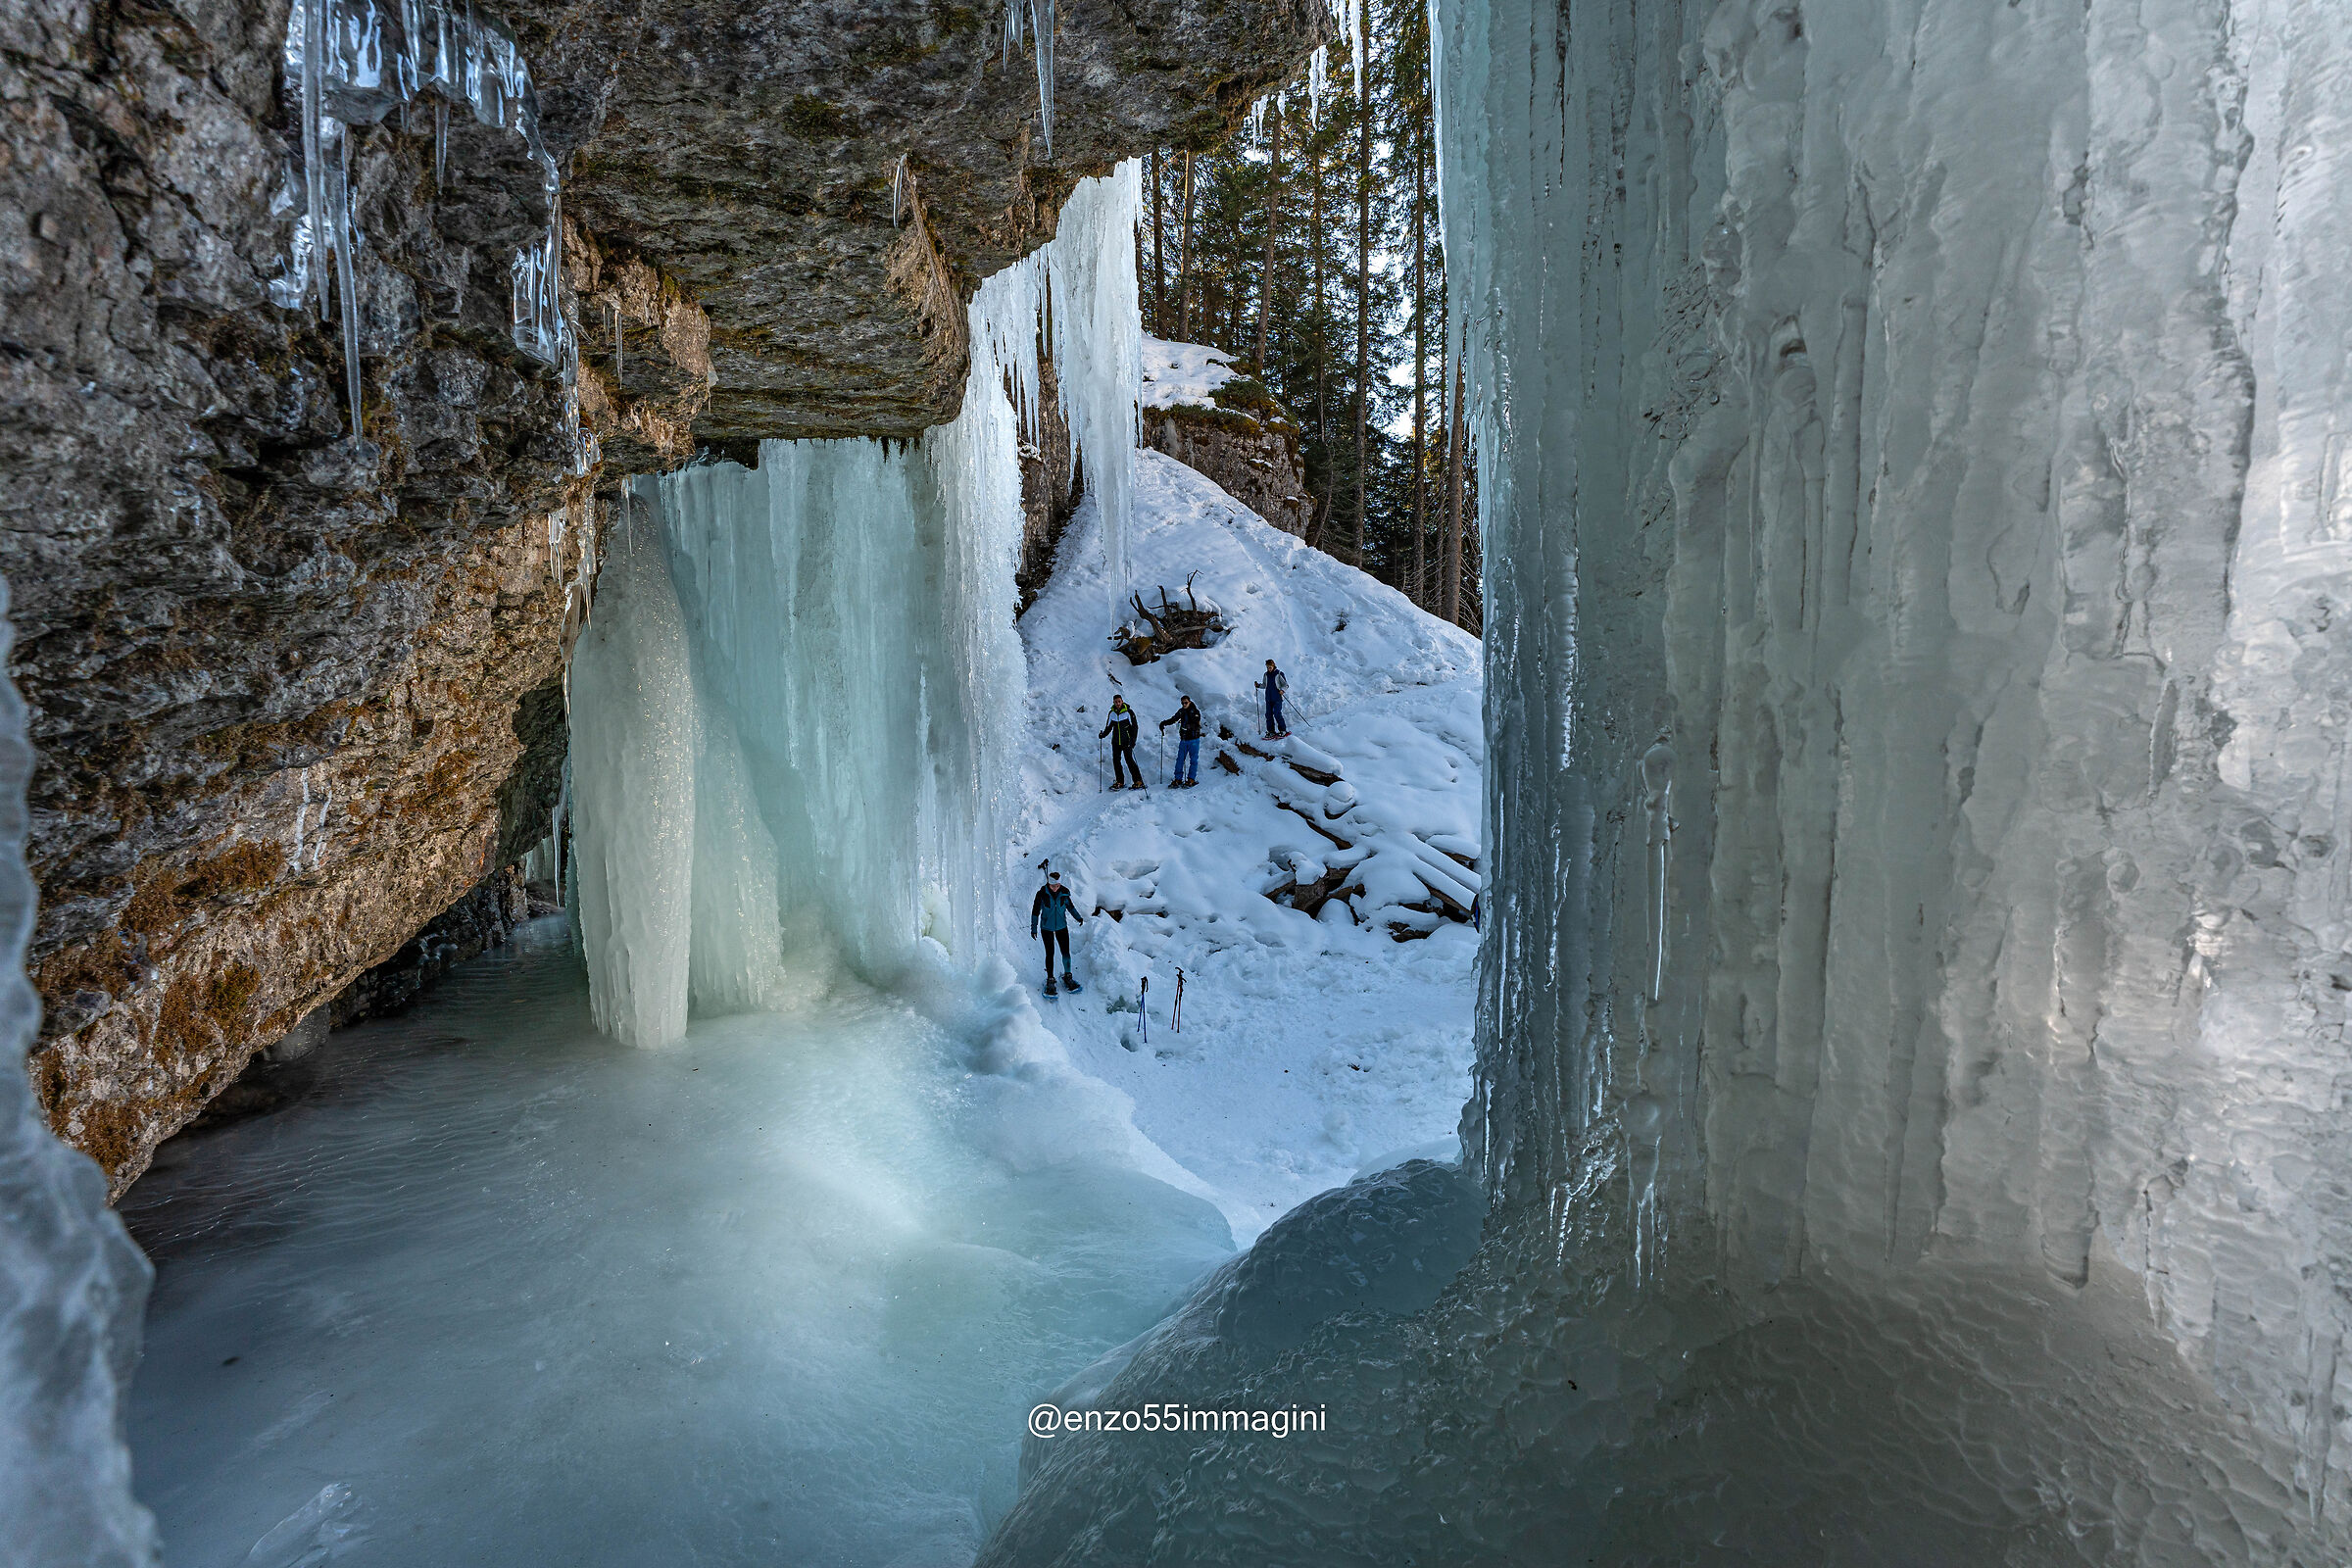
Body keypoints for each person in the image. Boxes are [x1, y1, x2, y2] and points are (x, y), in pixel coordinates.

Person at [1030, 868, 1084, 997]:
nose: (1055, 888)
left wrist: (1078, 918)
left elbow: (1070, 907)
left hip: (1061, 927)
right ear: (1049, 883)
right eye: (1053, 886)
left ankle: (1068, 976)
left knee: (1065, 952)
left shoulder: (1064, 893)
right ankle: (1050, 979)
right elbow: (1035, 911)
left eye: (1058, 885)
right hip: (1046, 928)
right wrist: (1033, 928)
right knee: (1050, 953)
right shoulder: (1041, 894)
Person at [1158, 695, 1203, 788]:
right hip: (1183, 740)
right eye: (1182, 703)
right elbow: (1174, 719)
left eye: (1186, 702)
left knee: (1193, 760)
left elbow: (1196, 723)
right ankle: (1178, 779)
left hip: (1194, 740)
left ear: (1189, 702)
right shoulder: (1181, 711)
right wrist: (1164, 723)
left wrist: (1187, 726)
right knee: (1180, 759)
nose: (1184, 704)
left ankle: (1191, 779)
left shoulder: (1195, 711)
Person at [1099, 695, 1143, 790]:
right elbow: (1109, 727)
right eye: (1116, 702)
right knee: (1116, 761)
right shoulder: (1112, 713)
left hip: (1127, 741)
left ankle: (1138, 781)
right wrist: (1103, 735)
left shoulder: (1128, 712)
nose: (1118, 703)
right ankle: (1120, 782)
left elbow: (1135, 727)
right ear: (1113, 702)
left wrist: (1133, 740)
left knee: (1129, 760)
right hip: (1115, 742)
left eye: (1119, 701)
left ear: (1122, 701)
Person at [1260, 659, 1290, 738]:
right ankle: (1271, 732)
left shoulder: (1279, 674)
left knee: (1277, 713)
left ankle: (1283, 731)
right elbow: (1264, 685)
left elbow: (1285, 685)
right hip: (1269, 698)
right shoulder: (1266, 675)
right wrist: (1258, 685)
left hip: (1277, 698)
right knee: (1268, 715)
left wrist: (1282, 690)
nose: (1268, 669)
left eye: (1270, 667)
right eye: (1267, 667)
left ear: (1273, 666)